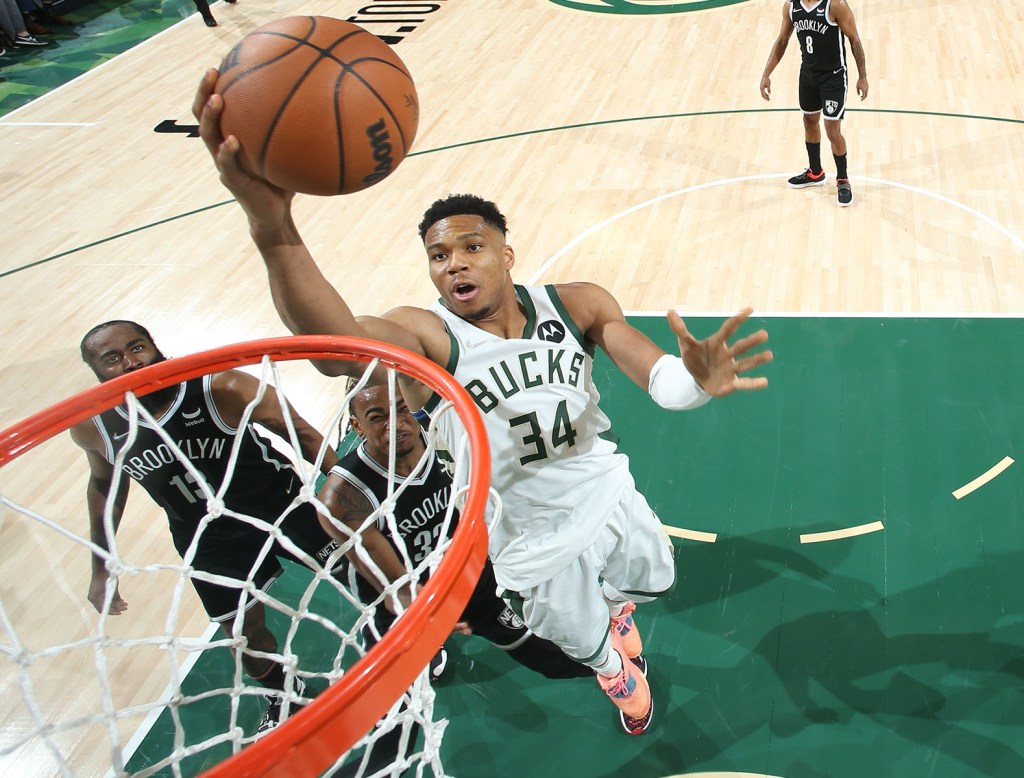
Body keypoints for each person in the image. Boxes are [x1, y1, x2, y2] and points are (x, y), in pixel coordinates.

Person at [193, 71, 773, 736]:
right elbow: (333, 350)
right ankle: (614, 670)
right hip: (523, 528)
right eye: (439, 256)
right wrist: (273, 226)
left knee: (653, 580)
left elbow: (660, 378)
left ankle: (616, 612)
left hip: (603, 488)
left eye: (472, 247)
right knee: (581, 642)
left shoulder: (577, 302)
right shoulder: (427, 335)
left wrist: (695, 379)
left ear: (507, 253)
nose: (455, 265)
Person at [70, 320, 341, 735]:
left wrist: (351, 492)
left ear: (155, 346)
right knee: (241, 636)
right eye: (112, 359)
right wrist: (101, 565)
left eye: (137, 347)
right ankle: (283, 692)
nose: (130, 363)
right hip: (206, 538)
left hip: (283, 506)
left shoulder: (220, 387)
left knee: (364, 574)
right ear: (97, 373)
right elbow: (105, 485)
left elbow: (301, 433)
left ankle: (408, 642)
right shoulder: (95, 426)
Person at [319, 382, 592, 774]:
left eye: (400, 408)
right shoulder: (345, 496)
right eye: (377, 417)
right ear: (356, 427)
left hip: (463, 572)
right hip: (403, 603)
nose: (396, 424)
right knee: (394, 722)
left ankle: (609, 666)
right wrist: (438, 615)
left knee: (537, 649)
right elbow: (396, 587)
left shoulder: (436, 428)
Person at [759, 0, 868, 207]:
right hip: (808, 76)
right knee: (809, 120)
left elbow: (854, 40)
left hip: (834, 77)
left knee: (832, 130)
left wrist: (862, 76)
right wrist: (766, 74)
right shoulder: (791, 6)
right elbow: (782, 41)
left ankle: (843, 179)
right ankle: (815, 172)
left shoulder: (835, 5)